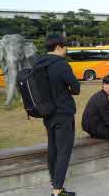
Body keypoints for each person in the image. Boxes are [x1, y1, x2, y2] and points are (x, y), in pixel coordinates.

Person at [31, 34, 80, 196]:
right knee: (63, 152)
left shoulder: (38, 63)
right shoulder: (61, 64)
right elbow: (76, 88)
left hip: (47, 113)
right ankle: (57, 191)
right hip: (63, 113)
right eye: (65, 47)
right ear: (58, 47)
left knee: (52, 148)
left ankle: (56, 185)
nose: (66, 50)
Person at [82, 75, 109, 139]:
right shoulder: (103, 99)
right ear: (104, 85)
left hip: (89, 125)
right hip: (93, 127)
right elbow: (108, 122)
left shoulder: (99, 95)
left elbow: (103, 114)